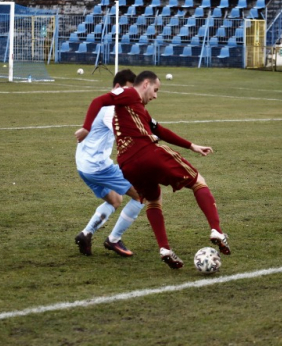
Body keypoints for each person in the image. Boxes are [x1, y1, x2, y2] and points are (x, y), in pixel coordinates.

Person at [75, 70, 230, 269]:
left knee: (153, 199)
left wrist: (192, 145)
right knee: (199, 181)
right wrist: (86, 127)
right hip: (146, 153)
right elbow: (99, 100)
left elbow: (159, 129)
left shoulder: (137, 109)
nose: (155, 96)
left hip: (127, 164)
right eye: (155, 90)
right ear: (145, 84)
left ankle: (164, 248)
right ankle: (216, 230)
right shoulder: (130, 93)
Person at [74, 69, 145, 258]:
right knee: (141, 194)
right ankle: (114, 239)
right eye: (129, 90)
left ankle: (86, 233)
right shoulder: (110, 109)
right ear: (117, 88)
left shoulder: (108, 107)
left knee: (115, 200)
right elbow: (124, 133)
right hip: (98, 167)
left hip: (84, 166)